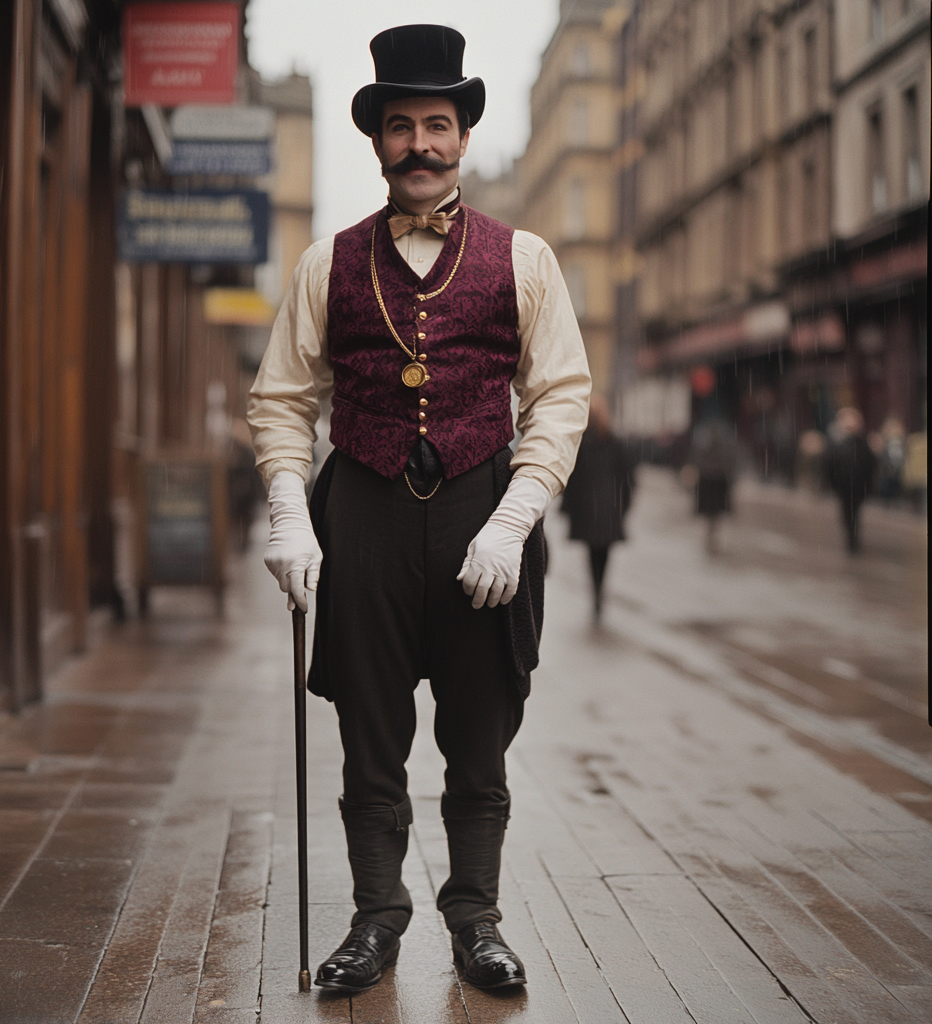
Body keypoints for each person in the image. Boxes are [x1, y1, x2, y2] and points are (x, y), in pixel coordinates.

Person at [246, 25, 591, 994]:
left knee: (479, 728)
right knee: (369, 730)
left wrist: (519, 510)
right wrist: (287, 504)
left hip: (487, 502)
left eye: (437, 124)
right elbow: (281, 397)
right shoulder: (326, 263)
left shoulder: (527, 260)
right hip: (363, 508)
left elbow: (561, 391)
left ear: (462, 137)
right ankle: (374, 921)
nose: (421, 144)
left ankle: (476, 920)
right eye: (402, 126)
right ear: (378, 140)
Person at [562, 396, 632, 620]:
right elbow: (627, 478)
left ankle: (596, 590)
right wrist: (624, 504)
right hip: (609, 507)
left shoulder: (581, 443)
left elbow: (572, 479)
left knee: (592, 553)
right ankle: (600, 588)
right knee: (604, 553)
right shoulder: (615, 442)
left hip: (587, 508)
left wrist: (568, 507)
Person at [826, 407, 876, 553]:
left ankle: (853, 539)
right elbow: (831, 466)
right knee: (848, 514)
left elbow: (871, 466)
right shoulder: (838, 444)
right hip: (845, 487)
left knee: (853, 514)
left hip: (857, 486)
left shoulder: (862, 444)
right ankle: (851, 539)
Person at [689, 417, 737, 553]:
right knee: (715, 513)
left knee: (712, 513)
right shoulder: (722, 445)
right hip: (715, 481)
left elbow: (697, 460)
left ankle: (711, 534)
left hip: (711, 481)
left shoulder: (704, 443)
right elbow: (729, 462)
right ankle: (711, 534)